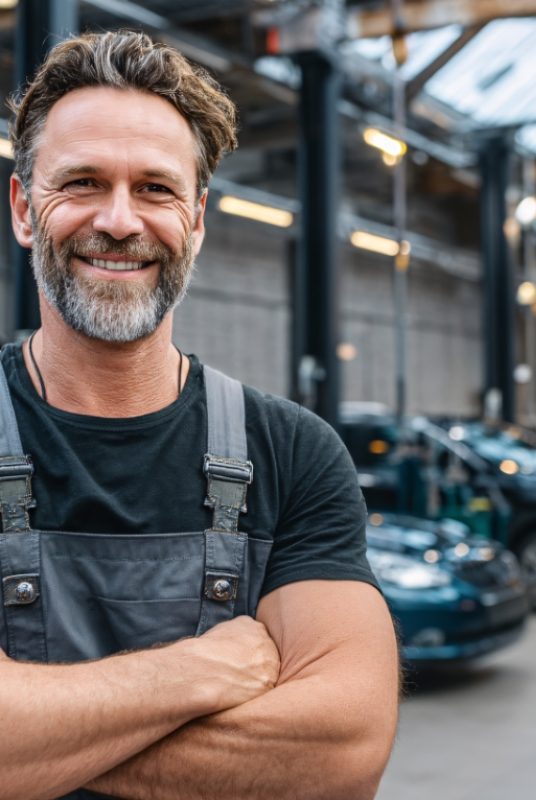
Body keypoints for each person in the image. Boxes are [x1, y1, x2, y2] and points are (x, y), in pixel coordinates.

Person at [0, 30, 399, 800]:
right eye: (82, 182)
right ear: (23, 209)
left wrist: (33, 738)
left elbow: (343, 752)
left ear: (198, 219)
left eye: (156, 189)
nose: (121, 221)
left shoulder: (292, 454)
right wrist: (196, 671)